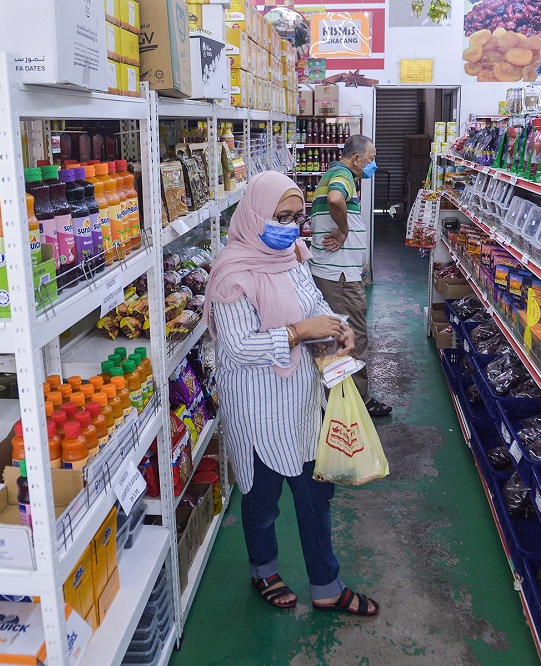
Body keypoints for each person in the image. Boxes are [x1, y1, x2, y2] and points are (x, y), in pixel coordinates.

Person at [204, 171, 380, 616]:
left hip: (301, 404)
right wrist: (301, 332)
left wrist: (336, 329)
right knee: (262, 500)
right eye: (279, 216)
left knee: (315, 498)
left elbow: (314, 305)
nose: (289, 225)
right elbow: (238, 347)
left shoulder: (294, 255)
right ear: (255, 213)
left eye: (296, 216)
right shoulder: (232, 274)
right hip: (258, 408)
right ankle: (264, 569)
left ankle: (327, 584)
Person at [309, 134, 392, 417]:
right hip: (340, 275)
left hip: (335, 272)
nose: (373, 164)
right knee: (352, 334)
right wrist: (344, 231)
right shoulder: (342, 174)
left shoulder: (336, 172)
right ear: (356, 158)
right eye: (370, 159)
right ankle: (359, 402)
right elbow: (335, 199)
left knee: (335, 335)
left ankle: (340, 398)